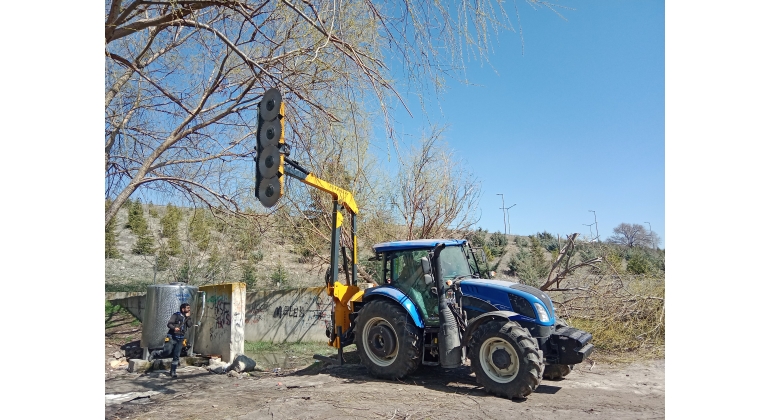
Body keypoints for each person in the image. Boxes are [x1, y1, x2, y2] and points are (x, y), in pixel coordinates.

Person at [148, 303, 193, 378]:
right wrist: (174, 328)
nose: (189, 309)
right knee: (167, 351)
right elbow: (169, 324)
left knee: (176, 355)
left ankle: (173, 371)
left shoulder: (187, 317)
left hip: (180, 338)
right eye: (187, 308)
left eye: (189, 308)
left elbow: (190, 325)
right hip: (172, 337)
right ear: (183, 309)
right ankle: (155, 353)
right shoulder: (176, 315)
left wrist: (188, 318)